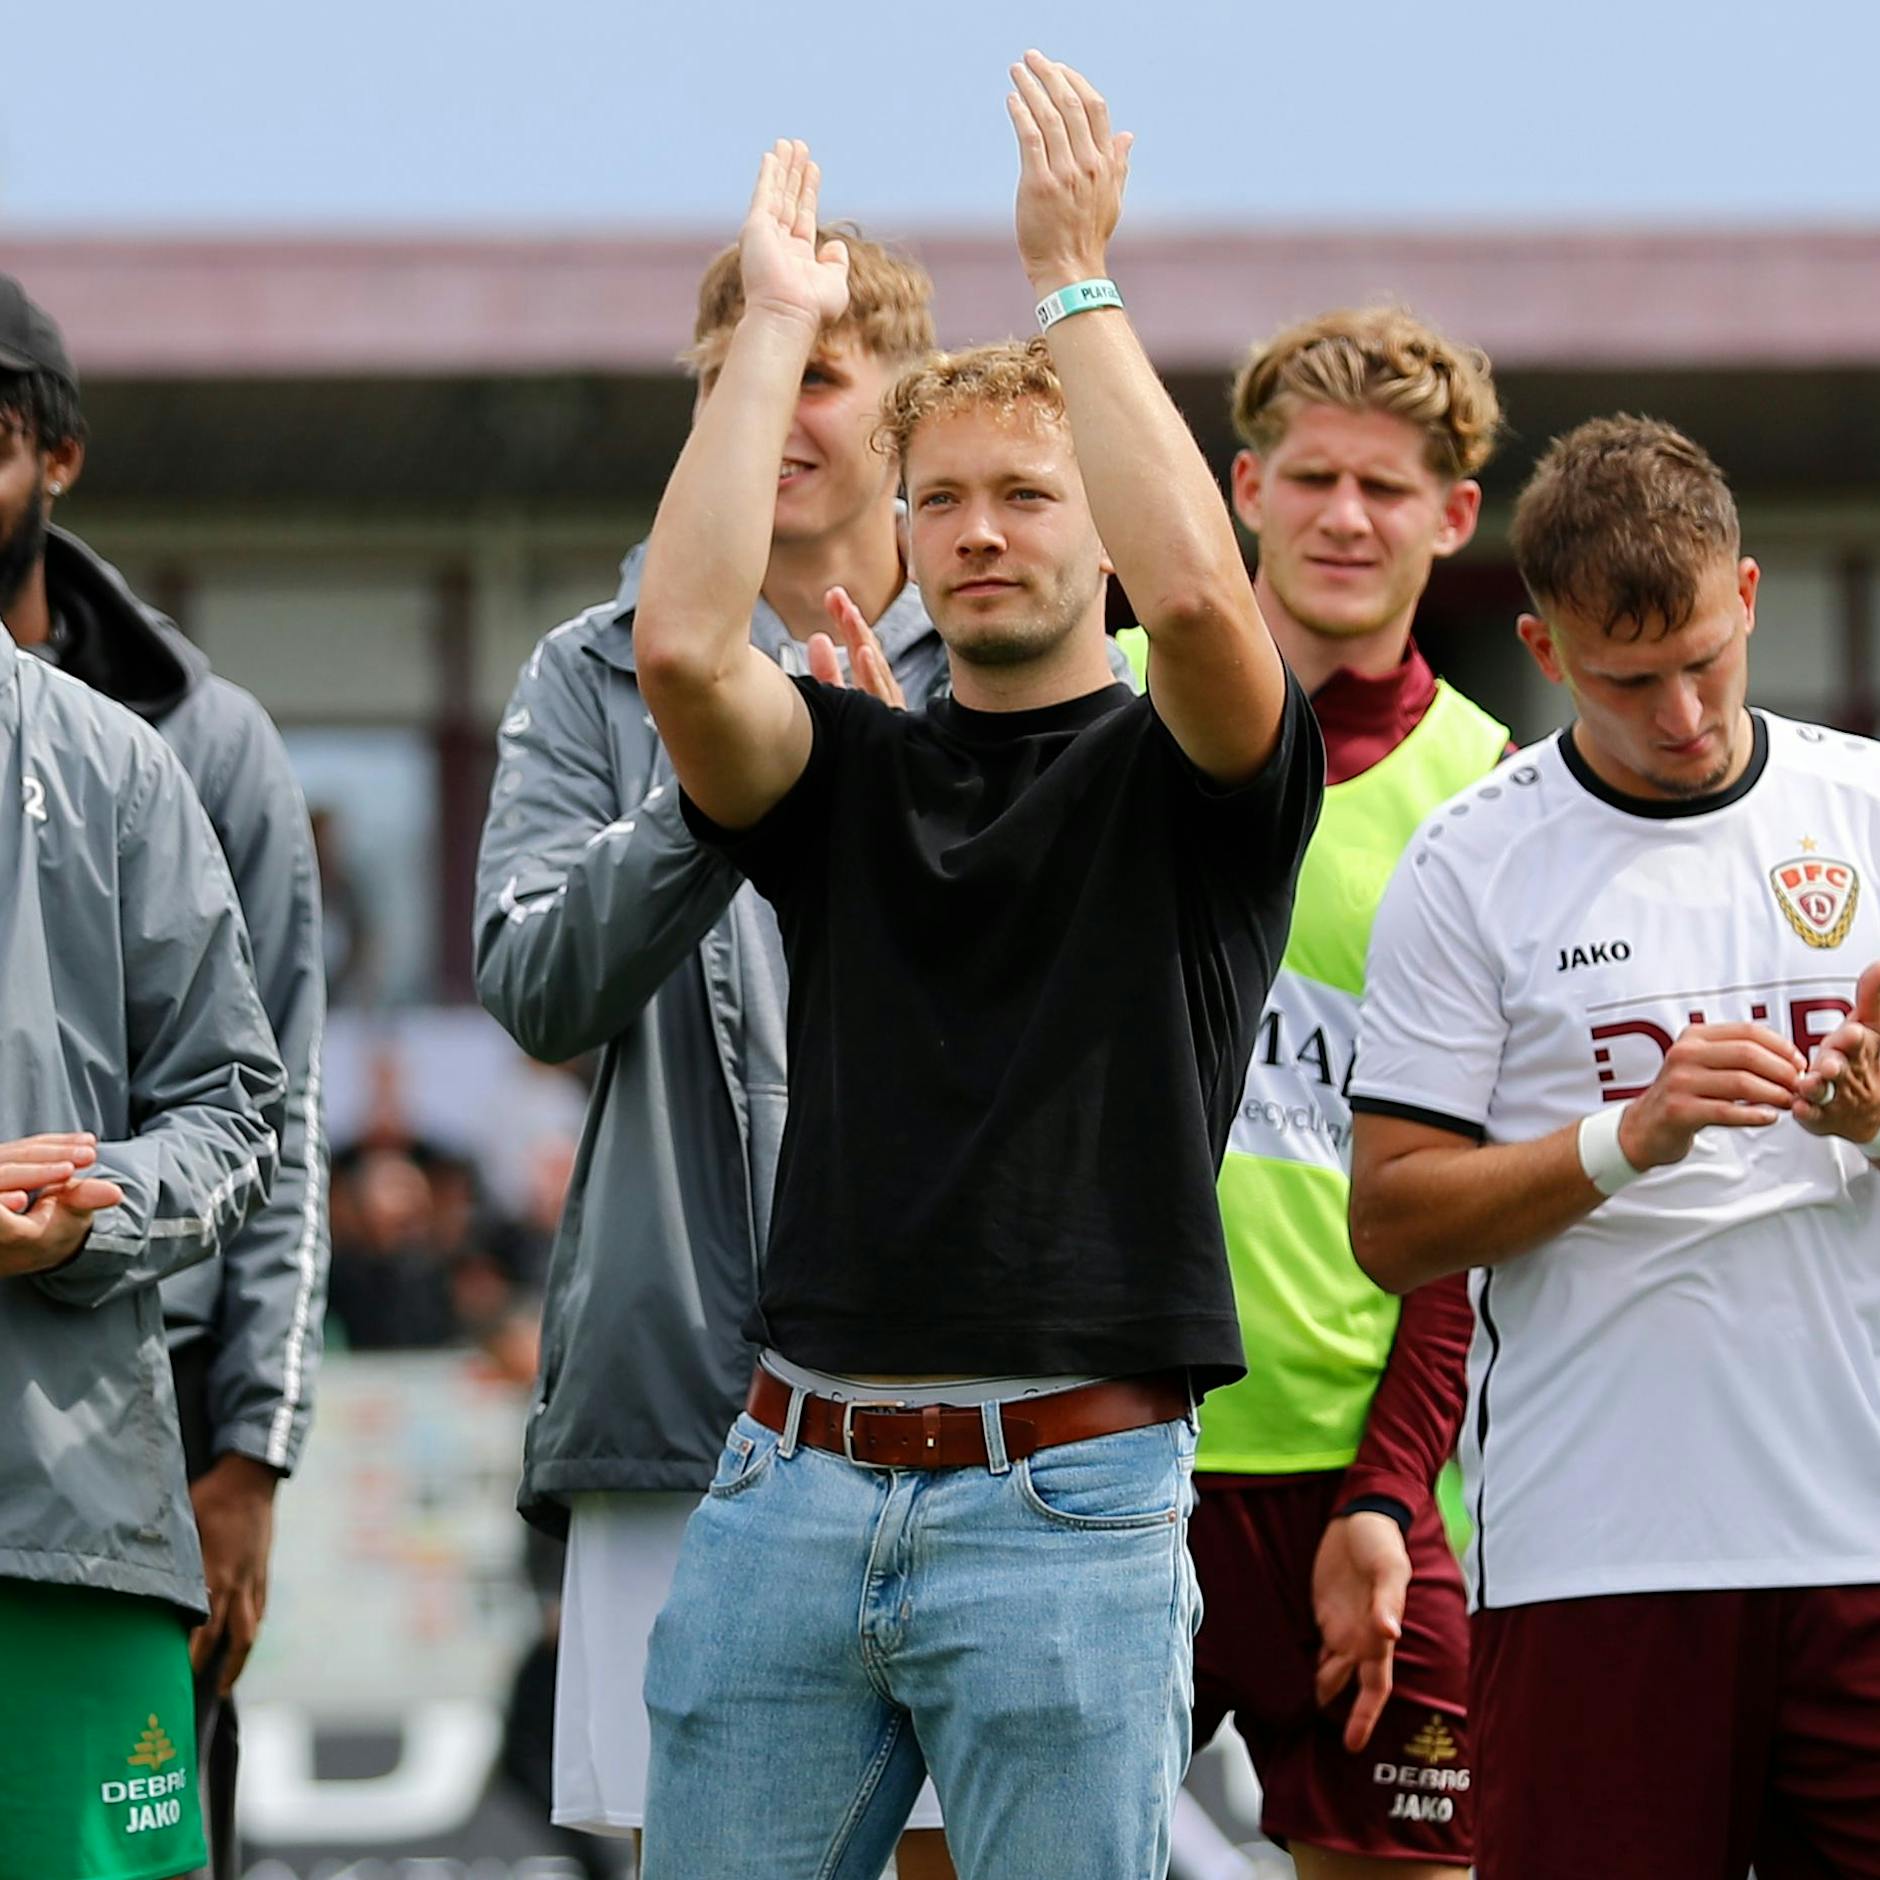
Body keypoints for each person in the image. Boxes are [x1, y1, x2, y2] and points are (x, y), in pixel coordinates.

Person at [632, 52, 1322, 1880]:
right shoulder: (845, 761)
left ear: (1104, 520)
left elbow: (1203, 605)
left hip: (1069, 1498)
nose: (983, 532)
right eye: (941, 501)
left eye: (1029, 492)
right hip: (788, 1479)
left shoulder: (1201, 776)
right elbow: (683, 650)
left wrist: (1073, 276)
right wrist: (777, 329)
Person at [472, 223, 954, 1871]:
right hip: (678, 1399)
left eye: (818, 370)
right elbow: (535, 986)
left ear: (905, 407)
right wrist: (724, 767)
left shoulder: (1021, 651)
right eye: (739, 373)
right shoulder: (591, 672)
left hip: (972, 1406)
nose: (776, 408)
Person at [1345, 415, 1880, 1880]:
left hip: (1861, 1544)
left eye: (1706, 660)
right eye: (1631, 681)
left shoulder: (1866, 810)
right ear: (1546, 648)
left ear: (1749, 595)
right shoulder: (1471, 862)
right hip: (1599, 1555)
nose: (1685, 715)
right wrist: (1623, 1138)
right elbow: (1391, 1226)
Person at [1131, 308, 1505, 1879]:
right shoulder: (1101, 705)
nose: (1347, 517)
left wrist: (1390, 1494)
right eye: (1313, 478)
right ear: (1244, 488)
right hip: (1110, 1459)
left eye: (1386, 486)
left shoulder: (1493, 794)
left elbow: (1473, 1208)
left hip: (1365, 1495)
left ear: (1454, 515)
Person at [0, 276, 329, 1880]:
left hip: (108, 1446)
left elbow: (265, 1110)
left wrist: (247, 1452)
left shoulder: (167, 750)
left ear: (55, 454)